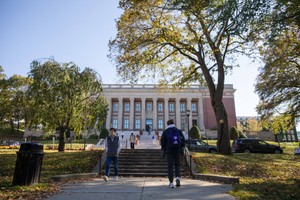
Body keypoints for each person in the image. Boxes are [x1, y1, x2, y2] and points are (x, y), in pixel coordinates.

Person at [161, 119, 185, 188]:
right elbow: (183, 140)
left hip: (169, 150)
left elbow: (162, 142)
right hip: (177, 150)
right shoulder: (178, 131)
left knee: (170, 166)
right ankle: (177, 178)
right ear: (174, 123)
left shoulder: (165, 132)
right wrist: (180, 148)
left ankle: (171, 183)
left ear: (167, 124)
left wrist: (164, 149)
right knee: (177, 164)